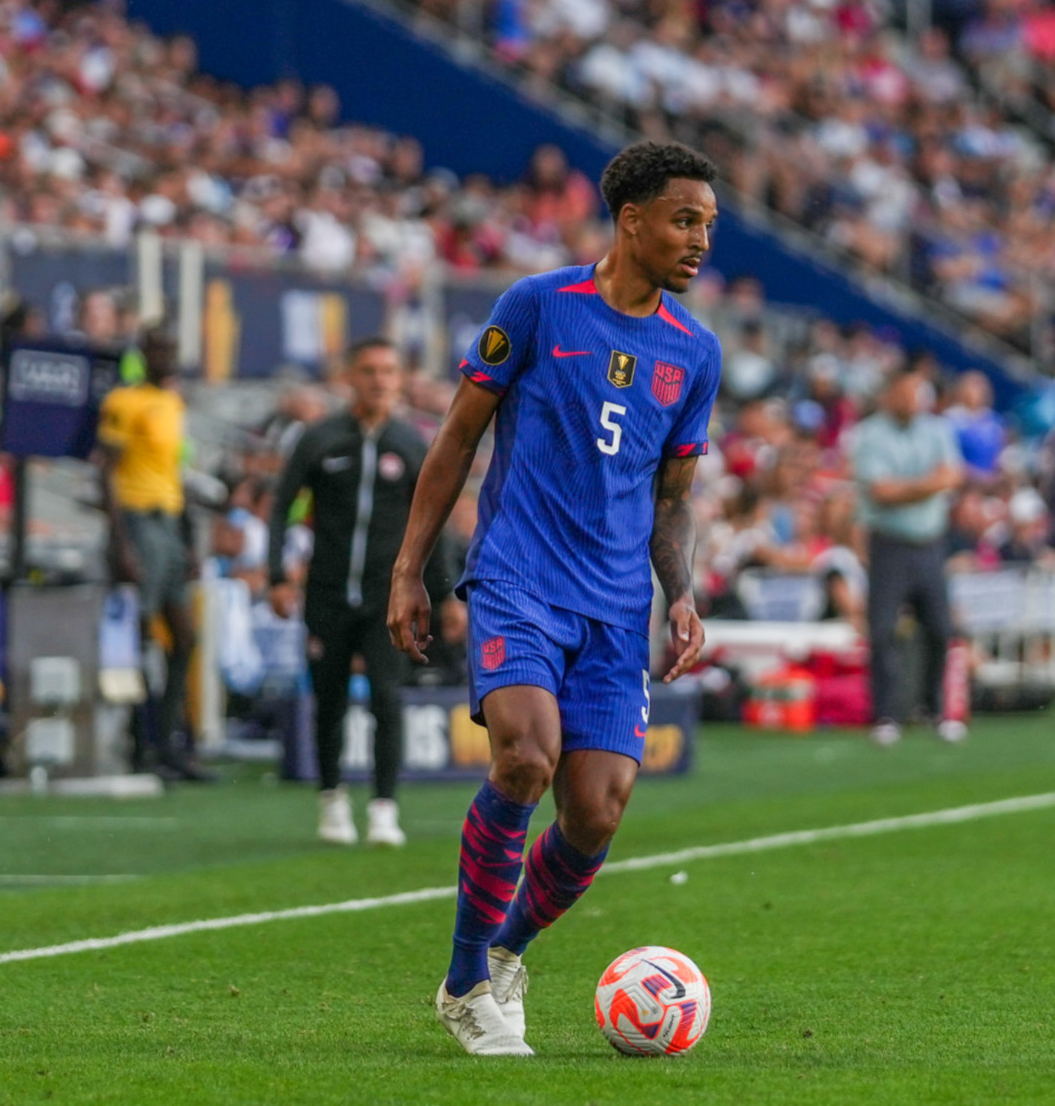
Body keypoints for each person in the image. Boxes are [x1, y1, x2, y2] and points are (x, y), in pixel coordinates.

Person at [385, 140, 722, 1058]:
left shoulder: (696, 352)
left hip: (618, 608)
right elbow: (456, 439)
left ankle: (502, 954)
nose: (699, 241)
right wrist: (410, 567)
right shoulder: (537, 306)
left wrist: (680, 593)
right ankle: (463, 983)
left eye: (708, 225)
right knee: (525, 757)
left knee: (596, 808)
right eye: (685, 220)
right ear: (632, 220)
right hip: (519, 577)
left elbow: (673, 500)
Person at [273, 337, 427, 846]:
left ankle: (384, 806)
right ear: (350, 378)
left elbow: (433, 520)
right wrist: (277, 575)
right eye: (369, 371)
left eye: (389, 371)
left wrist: (442, 594)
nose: (380, 380)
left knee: (387, 697)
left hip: (389, 599)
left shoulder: (410, 443)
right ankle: (332, 798)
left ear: (401, 380)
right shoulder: (319, 439)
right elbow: (281, 506)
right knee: (329, 698)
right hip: (328, 590)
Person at [95, 327, 209, 782]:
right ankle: (140, 744)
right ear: (143, 354)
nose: (166, 357)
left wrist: (188, 542)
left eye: (171, 349)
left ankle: (167, 742)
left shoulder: (172, 403)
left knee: (184, 637)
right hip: (137, 519)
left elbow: (174, 473)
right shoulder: (124, 403)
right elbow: (104, 472)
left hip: (167, 521)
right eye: (158, 350)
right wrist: (120, 541)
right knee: (140, 636)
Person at [847, 370, 967, 747]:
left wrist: (912, 488)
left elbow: (952, 477)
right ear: (890, 396)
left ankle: (934, 709)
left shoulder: (937, 430)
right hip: (889, 543)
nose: (912, 401)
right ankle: (886, 714)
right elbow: (882, 492)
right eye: (905, 394)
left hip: (930, 542)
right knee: (882, 631)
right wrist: (928, 485)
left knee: (940, 629)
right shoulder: (870, 434)